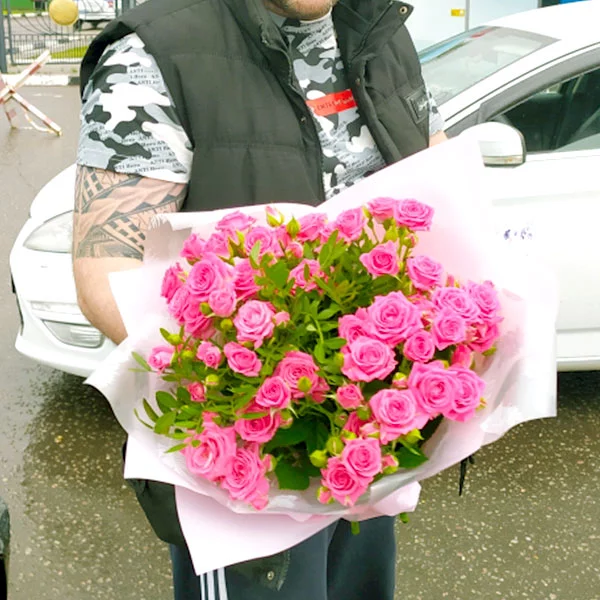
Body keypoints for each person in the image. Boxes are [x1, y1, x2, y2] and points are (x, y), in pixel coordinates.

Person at [73, 0, 447, 598]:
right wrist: (270, 404)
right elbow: (107, 275)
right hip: (247, 475)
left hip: (373, 449)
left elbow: (436, 184)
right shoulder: (154, 53)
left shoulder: (381, 30)